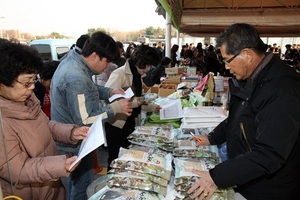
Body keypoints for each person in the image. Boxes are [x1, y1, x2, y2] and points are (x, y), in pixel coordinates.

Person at [188, 23, 300, 200]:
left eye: (227, 60)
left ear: (247, 54)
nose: (226, 67)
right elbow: (239, 117)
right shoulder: (255, 77)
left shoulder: (282, 89)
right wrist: (212, 138)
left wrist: (216, 177)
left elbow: (269, 153)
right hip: (249, 178)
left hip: (270, 188)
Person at [0, 39, 89, 200]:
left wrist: (72, 132)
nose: (32, 87)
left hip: (50, 187)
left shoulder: (27, 98)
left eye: (34, 80)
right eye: (27, 83)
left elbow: (46, 125)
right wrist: (60, 165)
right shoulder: (3, 119)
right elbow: (17, 170)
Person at [50, 31, 133, 200]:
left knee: (75, 185)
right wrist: (115, 107)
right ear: (94, 56)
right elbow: (85, 120)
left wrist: (110, 92)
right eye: (107, 61)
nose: (107, 66)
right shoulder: (76, 77)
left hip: (72, 138)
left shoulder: (75, 61)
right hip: (74, 144)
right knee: (81, 187)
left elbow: (89, 90)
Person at [104, 45, 161, 170]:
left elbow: (137, 99)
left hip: (129, 121)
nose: (148, 69)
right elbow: (108, 100)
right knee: (115, 160)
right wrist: (135, 102)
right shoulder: (119, 74)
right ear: (140, 61)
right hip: (116, 125)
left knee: (128, 158)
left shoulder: (137, 74)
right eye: (148, 65)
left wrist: (151, 107)